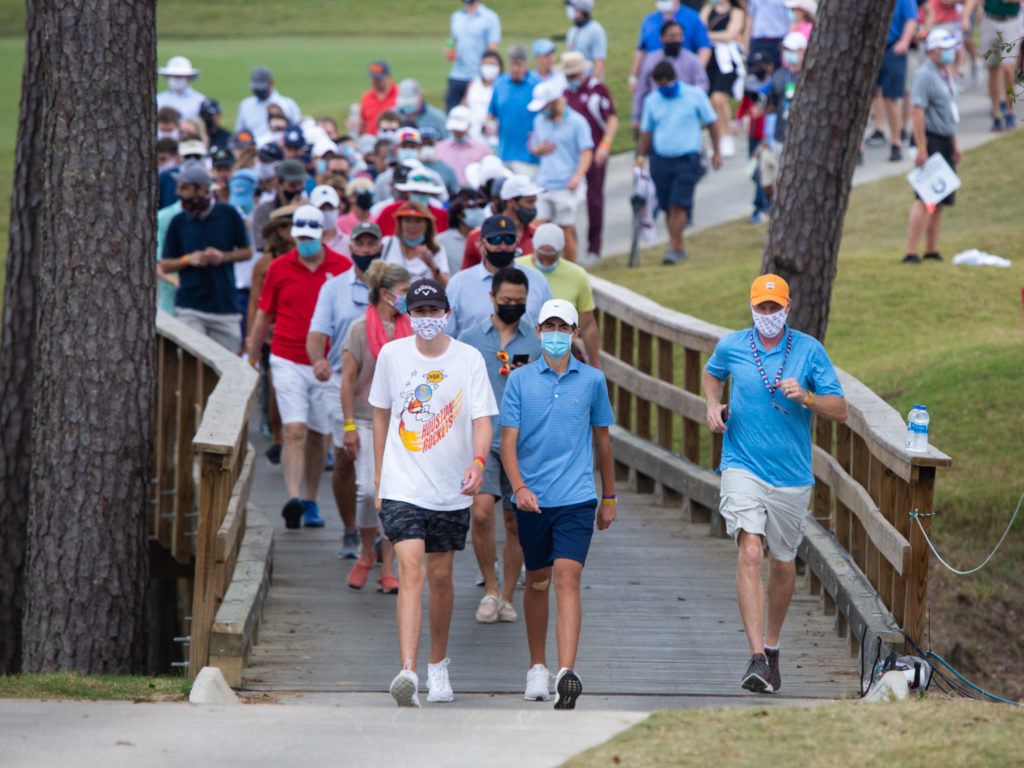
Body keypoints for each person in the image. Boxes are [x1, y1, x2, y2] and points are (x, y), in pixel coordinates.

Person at [703, 274, 847, 694]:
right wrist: (712, 404)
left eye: (774, 307)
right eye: (761, 307)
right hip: (742, 464)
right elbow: (712, 374)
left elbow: (840, 409)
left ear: (788, 308)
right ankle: (756, 657)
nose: (767, 314)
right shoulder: (732, 345)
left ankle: (772, 646)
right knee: (750, 551)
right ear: (751, 307)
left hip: (791, 475)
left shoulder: (809, 350)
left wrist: (807, 397)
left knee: (782, 563)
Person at [369, 277, 498, 707]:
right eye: (419, 311)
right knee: (411, 571)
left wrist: (478, 462)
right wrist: (379, 477)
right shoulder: (392, 355)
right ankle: (407, 670)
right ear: (408, 314)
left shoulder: (469, 358)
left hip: (450, 486)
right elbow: (381, 416)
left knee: (441, 577)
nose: (427, 319)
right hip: (403, 484)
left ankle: (437, 665)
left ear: (447, 313)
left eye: (434, 311)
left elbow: (482, 419)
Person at [499, 298, 616, 708]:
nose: (555, 334)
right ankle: (537, 666)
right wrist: (518, 488)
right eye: (548, 327)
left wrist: (609, 497)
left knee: (567, 577)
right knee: (537, 580)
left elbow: (603, 441)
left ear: (575, 333)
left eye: (562, 327)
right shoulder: (519, 380)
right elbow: (507, 442)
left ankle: (566, 671)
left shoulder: (593, 381)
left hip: (577, 498)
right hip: (532, 500)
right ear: (537, 331)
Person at [248, 205, 353, 530]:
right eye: (300, 237)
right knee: (294, 429)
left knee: (319, 434)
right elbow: (264, 314)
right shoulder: (279, 267)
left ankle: (310, 499)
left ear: (322, 234)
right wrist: (251, 357)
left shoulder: (342, 267)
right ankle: (292, 498)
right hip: (286, 357)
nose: (305, 242)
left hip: (326, 363)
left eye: (310, 237)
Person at [458, 268, 542, 624]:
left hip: (523, 443)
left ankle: (507, 595)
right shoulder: (469, 339)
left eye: (520, 301)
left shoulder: (536, 341)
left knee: (515, 520)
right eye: (506, 300)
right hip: (483, 438)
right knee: (480, 513)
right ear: (492, 297)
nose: (513, 306)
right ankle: (490, 588)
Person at [307, 221, 385, 559]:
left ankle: (380, 531)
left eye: (372, 244)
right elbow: (317, 332)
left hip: (387, 383)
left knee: (386, 459)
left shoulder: (393, 286)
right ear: (350, 247)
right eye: (361, 244)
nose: (366, 250)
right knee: (345, 457)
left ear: (380, 247)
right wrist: (318, 360)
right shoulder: (333, 288)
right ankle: (351, 528)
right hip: (344, 381)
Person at [339, 259, 411, 592]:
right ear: (385, 293)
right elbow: (347, 380)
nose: (408, 297)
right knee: (369, 491)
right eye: (404, 291)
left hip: (403, 422)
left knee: (395, 493)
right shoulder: (359, 329)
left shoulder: (412, 328)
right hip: (367, 418)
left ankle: (387, 565)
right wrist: (348, 425)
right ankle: (366, 550)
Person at [159, 161, 252, 351]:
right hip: (189, 307)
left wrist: (223, 257)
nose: (179, 193)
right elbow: (165, 264)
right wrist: (188, 260)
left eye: (185, 188)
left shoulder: (229, 214)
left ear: (201, 189)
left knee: (226, 361)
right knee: (191, 358)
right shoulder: (178, 221)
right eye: (179, 187)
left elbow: (247, 251)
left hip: (224, 306)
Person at [636, 61, 723, 265]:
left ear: (674, 78)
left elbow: (712, 122)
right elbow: (647, 131)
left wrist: (717, 152)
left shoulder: (694, 95)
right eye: (660, 85)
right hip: (660, 159)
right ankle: (679, 246)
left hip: (687, 158)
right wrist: (640, 158)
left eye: (666, 84)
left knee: (679, 204)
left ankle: (672, 247)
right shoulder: (652, 101)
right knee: (667, 205)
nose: (664, 88)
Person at [904, 29, 962, 264]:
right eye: (945, 49)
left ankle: (931, 249)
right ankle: (911, 252)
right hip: (929, 140)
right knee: (925, 197)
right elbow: (917, 111)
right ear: (933, 51)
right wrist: (921, 147)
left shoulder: (945, 73)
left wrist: (955, 143)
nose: (950, 53)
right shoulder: (924, 75)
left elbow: (949, 112)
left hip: (945, 139)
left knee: (941, 197)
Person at [248, 204, 298, 466]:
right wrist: (250, 341)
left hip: (301, 329)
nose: (290, 231)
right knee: (276, 388)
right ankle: (278, 437)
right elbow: (255, 302)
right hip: (272, 333)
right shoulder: (264, 264)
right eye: (285, 226)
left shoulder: (306, 258)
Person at [447, 214, 553, 337]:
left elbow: (550, 328)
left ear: (516, 243)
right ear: (482, 244)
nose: (503, 246)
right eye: (495, 240)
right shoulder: (459, 283)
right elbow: (447, 333)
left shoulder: (537, 280)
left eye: (509, 240)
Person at [527, 78, 594, 264]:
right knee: (537, 229)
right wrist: (537, 150)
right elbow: (535, 146)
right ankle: (537, 268)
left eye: (544, 105)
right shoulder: (539, 120)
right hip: (544, 183)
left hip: (567, 185)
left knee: (565, 230)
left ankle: (572, 269)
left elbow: (586, 153)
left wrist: (578, 177)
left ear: (554, 102)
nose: (542, 110)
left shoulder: (577, 122)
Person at [560, 52, 618, 266]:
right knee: (567, 204)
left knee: (594, 201)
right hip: (572, 159)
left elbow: (611, 119)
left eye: (573, 75)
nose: (570, 79)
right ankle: (571, 247)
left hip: (594, 154)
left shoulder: (597, 89)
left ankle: (594, 247)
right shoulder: (565, 94)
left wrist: (605, 144)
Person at [517, 223, 599, 366]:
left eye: (551, 257)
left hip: (560, 355)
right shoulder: (517, 268)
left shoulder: (577, 275)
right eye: (541, 256)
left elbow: (588, 325)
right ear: (534, 248)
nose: (545, 263)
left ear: (561, 250)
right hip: (523, 351)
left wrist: (595, 364)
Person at [631, 20, 710, 134]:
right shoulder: (651, 60)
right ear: (662, 38)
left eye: (679, 36)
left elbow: (702, 85)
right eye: (672, 36)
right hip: (658, 113)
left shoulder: (692, 60)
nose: (676, 40)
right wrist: (636, 117)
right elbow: (642, 89)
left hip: (684, 114)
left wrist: (687, 97)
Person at [460, 174, 540, 270]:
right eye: (529, 202)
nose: (533, 207)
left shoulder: (537, 236)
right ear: (511, 202)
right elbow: (467, 274)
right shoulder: (476, 237)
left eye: (534, 202)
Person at [631, 0, 713, 90]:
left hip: (684, 78)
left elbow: (704, 49)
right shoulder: (649, 20)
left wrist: (696, 72)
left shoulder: (693, 18)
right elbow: (641, 50)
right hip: (655, 79)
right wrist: (634, 77)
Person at [701, 0, 747, 157]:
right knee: (711, 102)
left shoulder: (736, 12)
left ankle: (726, 136)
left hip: (727, 60)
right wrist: (718, 34)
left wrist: (711, 35)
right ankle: (716, 138)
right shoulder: (707, 10)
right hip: (709, 59)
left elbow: (729, 35)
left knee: (719, 98)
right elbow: (700, 30)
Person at [488, 45, 542, 177]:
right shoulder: (500, 83)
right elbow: (491, 114)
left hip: (529, 156)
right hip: (504, 153)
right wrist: (491, 128)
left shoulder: (537, 84)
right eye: (512, 64)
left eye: (519, 64)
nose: (515, 69)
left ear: (526, 64)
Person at [877, 0, 920, 161]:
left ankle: (896, 142)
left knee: (890, 98)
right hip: (871, 49)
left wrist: (904, 41)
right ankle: (858, 148)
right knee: (867, 98)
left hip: (892, 49)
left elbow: (911, 19)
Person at [971, 0, 1021, 130]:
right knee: (992, 69)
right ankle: (996, 113)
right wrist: (979, 8)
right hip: (989, 19)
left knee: (1008, 67)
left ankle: (1010, 111)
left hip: (1010, 20)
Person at [446, 0, 502, 113]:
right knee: (453, 116)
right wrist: (449, 50)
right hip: (457, 75)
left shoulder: (490, 18)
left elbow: (492, 51)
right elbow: (452, 41)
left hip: (478, 77)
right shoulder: (456, 16)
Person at [381, 200, 452, 285]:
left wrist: (432, 265)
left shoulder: (436, 249)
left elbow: (446, 286)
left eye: (418, 221)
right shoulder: (387, 243)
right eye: (407, 220)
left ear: (427, 224)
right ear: (400, 223)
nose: (412, 226)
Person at [235, 67, 301, 138]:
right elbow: (239, 132)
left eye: (261, 87)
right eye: (256, 88)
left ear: (271, 83)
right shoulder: (245, 105)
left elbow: (297, 131)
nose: (258, 90)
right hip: (253, 144)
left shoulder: (288, 104)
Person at [435, 106, 494, 186]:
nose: (457, 132)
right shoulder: (440, 148)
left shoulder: (482, 149)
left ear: (469, 126)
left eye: (460, 130)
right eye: (455, 129)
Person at [439, 188, 488, 266]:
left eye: (479, 207)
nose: (478, 211)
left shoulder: (488, 240)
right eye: (472, 208)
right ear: (459, 214)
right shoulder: (441, 241)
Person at [461, 50, 502, 142]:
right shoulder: (473, 84)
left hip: (494, 139)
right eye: (486, 64)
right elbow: (463, 106)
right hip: (472, 137)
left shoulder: (502, 86)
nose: (489, 68)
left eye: (493, 64)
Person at [565, 0, 608, 80]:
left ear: (580, 9)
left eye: (572, 7)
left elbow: (599, 62)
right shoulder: (572, 31)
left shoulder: (596, 30)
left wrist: (593, 84)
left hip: (588, 83)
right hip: (574, 82)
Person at [417, 127, 460, 197]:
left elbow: (455, 195)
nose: (426, 146)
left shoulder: (448, 170)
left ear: (436, 143)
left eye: (430, 144)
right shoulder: (413, 166)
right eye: (422, 144)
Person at [745, 0, 789, 68]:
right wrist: (746, 43)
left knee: (777, 71)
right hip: (757, 39)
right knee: (755, 70)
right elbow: (750, 18)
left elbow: (790, 18)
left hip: (777, 40)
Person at [360, 60, 398, 135]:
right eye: (373, 78)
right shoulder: (366, 97)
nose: (375, 82)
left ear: (389, 77)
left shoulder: (399, 95)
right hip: (371, 140)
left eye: (378, 79)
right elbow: (362, 126)